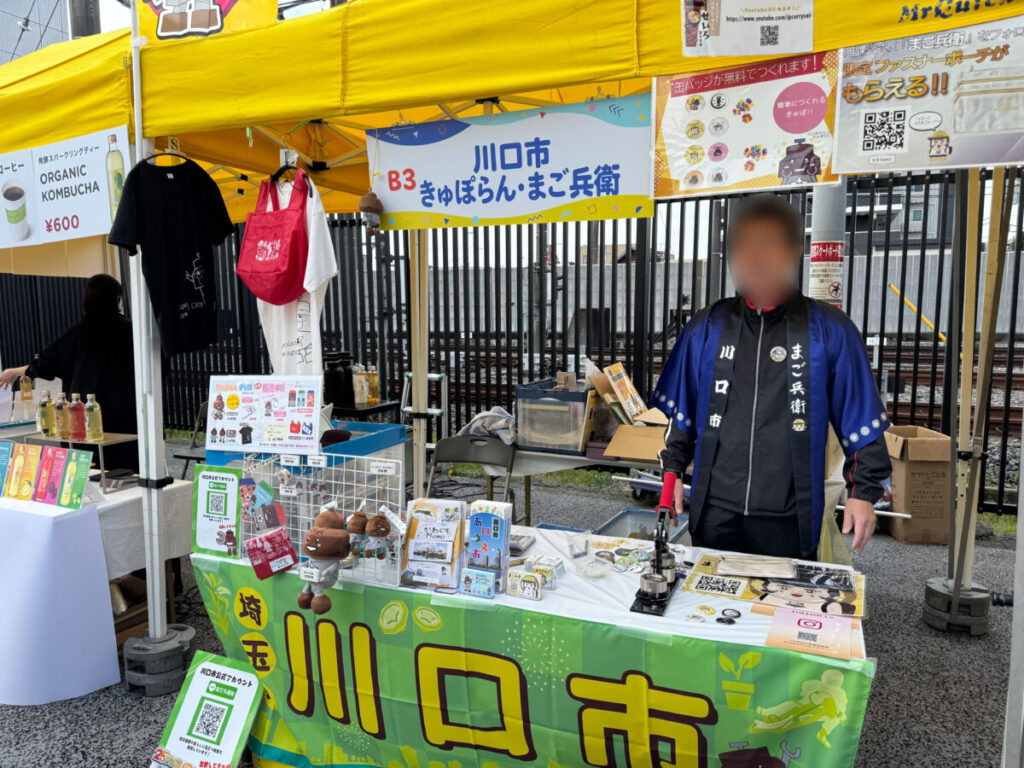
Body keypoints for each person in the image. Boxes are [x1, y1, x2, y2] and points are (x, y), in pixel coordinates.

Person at [656, 194, 891, 560]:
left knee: (783, 595)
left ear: (795, 251)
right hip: (714, 509)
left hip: (789, 516)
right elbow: (682, 413)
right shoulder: (708, 326)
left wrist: (863, 492)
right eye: (745, 246)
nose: (756, 258)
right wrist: (671, 474)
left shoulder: (829, 329)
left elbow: (859, 416)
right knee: (710, 590)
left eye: (769, 244)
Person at [0, 274, 138, 471]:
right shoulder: (132, 331)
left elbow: (47, 363)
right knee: (130, 472)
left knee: (86, 471)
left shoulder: (78, 332)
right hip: (129, 419)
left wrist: (17, 372)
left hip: (83, 419)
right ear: (117, 299)